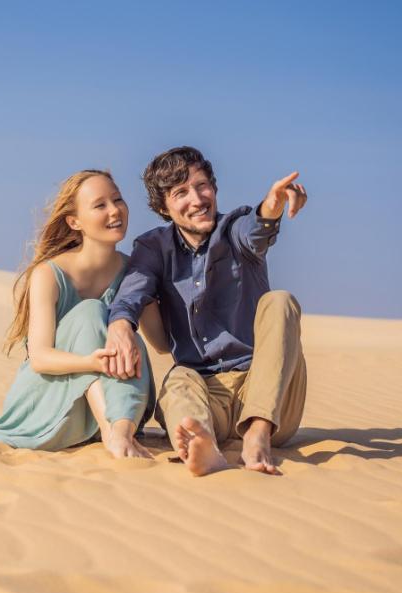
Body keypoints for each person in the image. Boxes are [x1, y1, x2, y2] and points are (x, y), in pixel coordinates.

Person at [105, 147, 309, 475]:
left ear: (214, 188)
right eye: (181, 192)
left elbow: (257, 229)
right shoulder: (153, 247)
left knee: (280, 301)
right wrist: (120, 325)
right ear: (163, 206)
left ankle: (257, 433)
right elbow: (133, 292)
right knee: (178, 378)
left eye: (202, 186)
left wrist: (273, 206)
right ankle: (202, 445)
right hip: (207, 395)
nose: (197, 199)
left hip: (269, 395)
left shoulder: (234, 229)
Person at [0, 170, 167, 458]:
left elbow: (160, 343)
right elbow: (40, 358)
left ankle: (117, 430)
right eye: (100, 205)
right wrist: (91, 362)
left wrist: (159, 284)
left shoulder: (134, 271)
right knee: (90, 312)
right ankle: (113, 432)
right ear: (74, 221)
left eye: (118, 200)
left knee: (124, 334)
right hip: (55, 405)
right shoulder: (49, 274)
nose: (114, 211)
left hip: (121, 398)